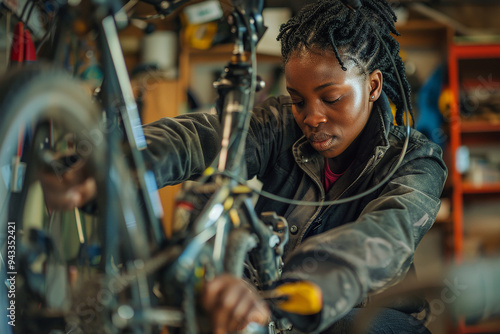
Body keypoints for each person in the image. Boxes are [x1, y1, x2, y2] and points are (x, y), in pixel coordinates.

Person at [41, 0, 447, 333]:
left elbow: (383, 237)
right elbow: (201, 136)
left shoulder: (416, 161)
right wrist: (112, 166)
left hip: (361, 312)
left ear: (373, 85)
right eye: (299, 99)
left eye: (332, 98)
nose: (312, 117)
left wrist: (296, 290)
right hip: (268, 306)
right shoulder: (280, 124)